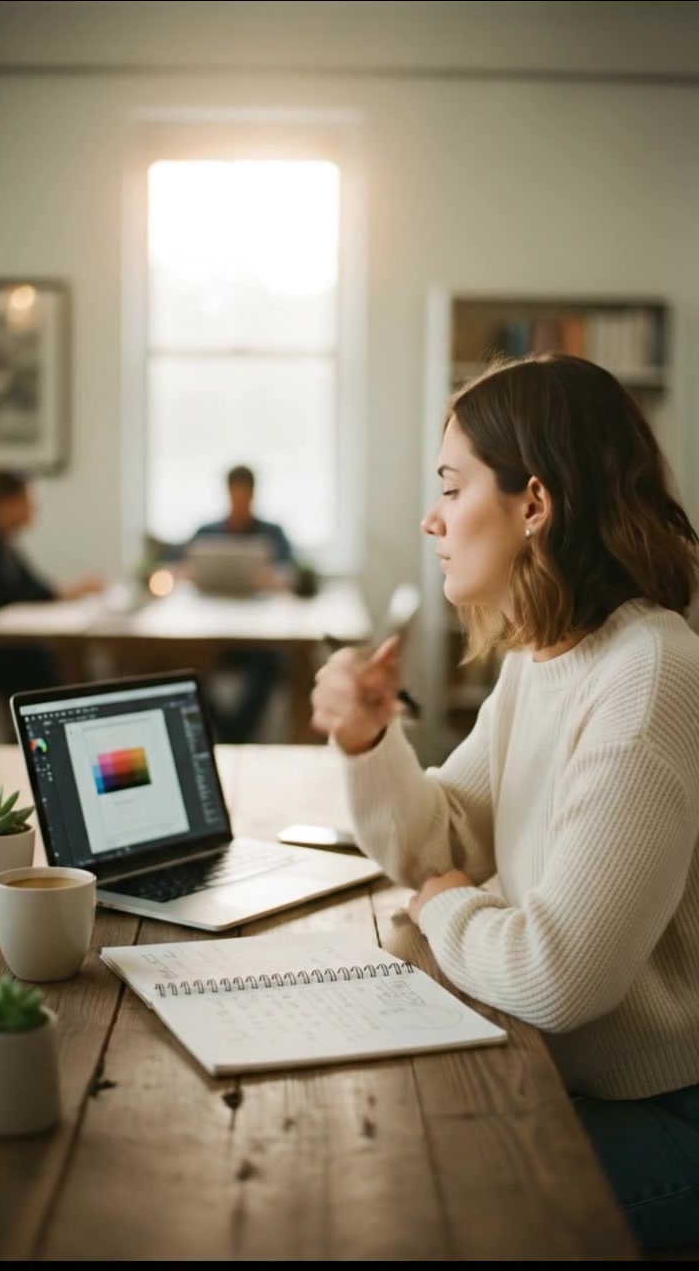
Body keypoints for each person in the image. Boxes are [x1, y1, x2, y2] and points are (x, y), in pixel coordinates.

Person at [310, 352, 699, 1254]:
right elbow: (445, 835)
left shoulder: (647, 680)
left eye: (452, 485)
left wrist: (447, 907)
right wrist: (371, 744)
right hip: (572, 1080)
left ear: (534, 503)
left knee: (400, 1203)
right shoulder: (549, 656)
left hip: (671, 1109)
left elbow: (558, 975)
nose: (432, 517)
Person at [187, 464, 298, 742]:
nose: (239, 503)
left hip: (257, 629)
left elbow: (292, 576)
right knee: (182, 661)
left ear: (253, 495)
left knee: (272, 661)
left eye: (244, 496)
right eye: (234, 496)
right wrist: (187, 572)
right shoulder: (206, 532)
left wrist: (273, 579)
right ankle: (228, 734)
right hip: (209, 625)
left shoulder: (272, 534)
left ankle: (234, 736)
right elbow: (177, 566)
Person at [0, 470, 105, 699]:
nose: (33, 512)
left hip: (1, 643)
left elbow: (36, 587)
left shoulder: (6, 544)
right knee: (40, 661)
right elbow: (0, 596)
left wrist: (68, 590)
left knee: (57, 657)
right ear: (5, 502)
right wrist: (67, 591)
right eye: (29, 503)